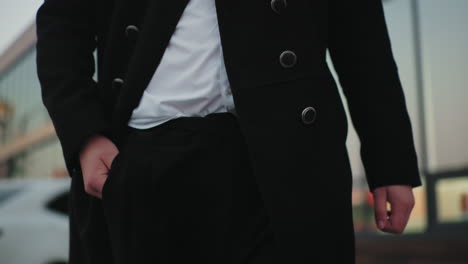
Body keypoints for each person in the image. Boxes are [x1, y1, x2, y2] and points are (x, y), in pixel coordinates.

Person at [35, 0, 423, 263]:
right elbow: (62, 23)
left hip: (282, 162)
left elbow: (360, 34)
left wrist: (390, 162)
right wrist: (85, 134)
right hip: (139, 157)